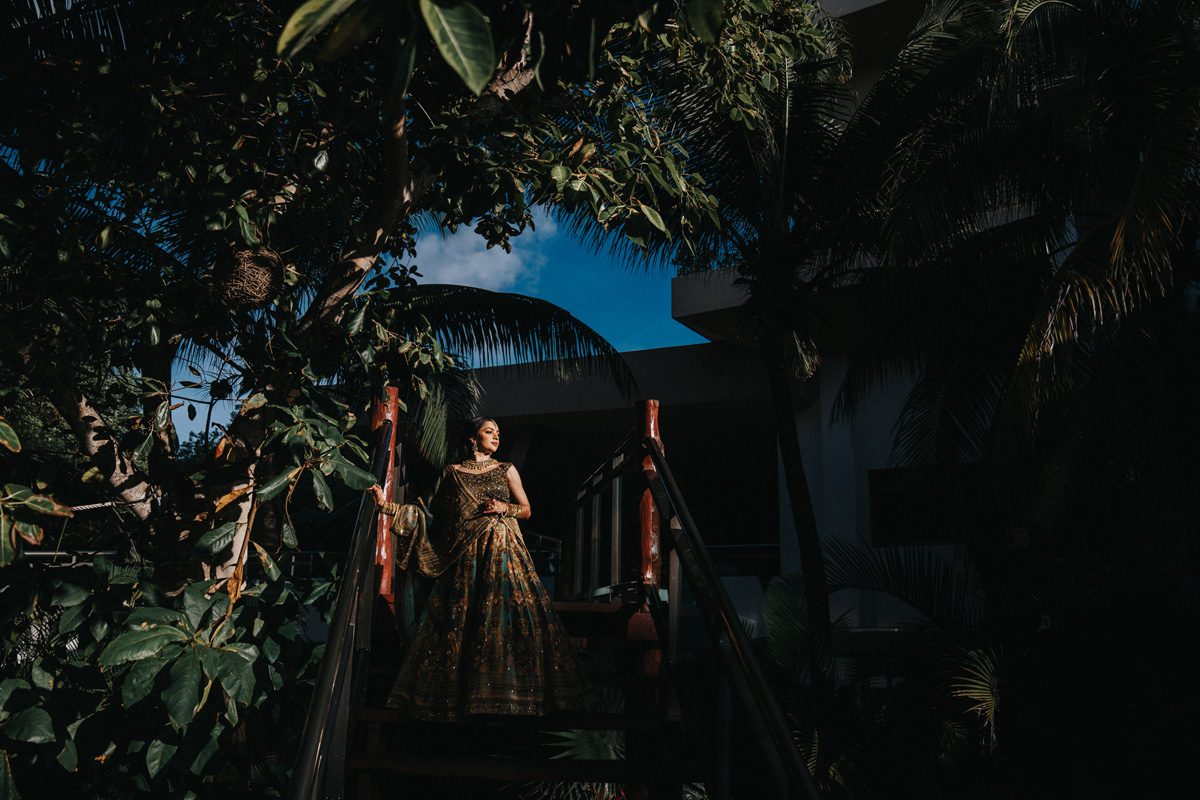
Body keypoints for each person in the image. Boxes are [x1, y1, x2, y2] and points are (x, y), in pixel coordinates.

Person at [367, 417, 591, 720]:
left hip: (504, 553)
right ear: (473, 439)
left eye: (498, 433)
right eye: (489, 432)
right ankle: (461, 696)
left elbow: (526, 509)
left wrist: (503, 507)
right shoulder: (452, 473)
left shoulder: (506, 469)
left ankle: (519, 694)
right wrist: (385, 505)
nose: (496, 437)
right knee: (463, 621)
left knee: (510, 618)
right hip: (466, 560)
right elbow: (422, 509)